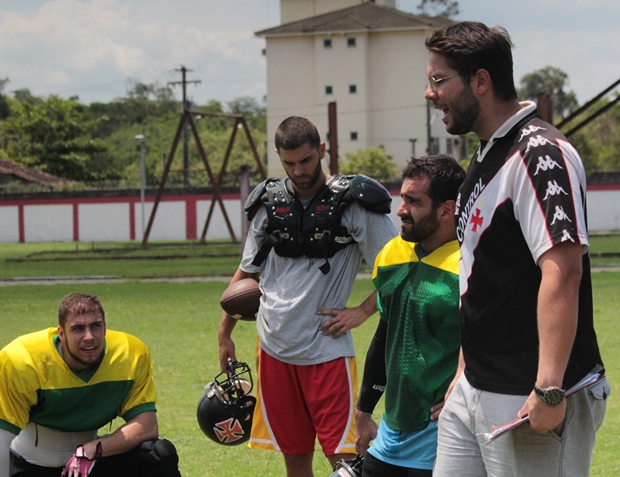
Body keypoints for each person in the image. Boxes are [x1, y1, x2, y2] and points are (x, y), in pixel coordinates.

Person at [423, 22, 610, 477]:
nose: (430, 94)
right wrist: (464, 370)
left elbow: (563, 272)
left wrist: (549, 388)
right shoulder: (488, 153)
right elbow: (481, 273)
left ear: (480, 81)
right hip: (475, 385)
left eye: (439, 80)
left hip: (528, 393)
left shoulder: (540, 153)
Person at [217, 116, 398, 477]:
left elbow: (399, 267)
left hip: (325, 351)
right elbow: (246, 273)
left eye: (306, 160)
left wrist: (362, 311)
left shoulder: (354, 203)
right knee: (295, 457)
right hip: (272, 349)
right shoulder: (268, 202)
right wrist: (224, 333)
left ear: (322, 150)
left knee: (345, 461)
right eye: (289, 163)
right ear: (278, 157)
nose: (299, 171)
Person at [355, 155, 466, 477]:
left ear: (446, 210)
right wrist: (364, 409)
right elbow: (385, 333)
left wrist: (463, 396)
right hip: (392, 429)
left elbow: (495, 342)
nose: (400, 210)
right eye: (402, 198)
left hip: (441, 430)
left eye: (414, 202)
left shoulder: (471, 264)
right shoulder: (392, 253)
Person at [0, 292, 182, 477]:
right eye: (78, 329)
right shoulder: (22, 361)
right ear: (61, 333)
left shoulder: (129, 355)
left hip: (89, 464)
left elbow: (147, 426)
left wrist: (96, 448)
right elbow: (1, 439)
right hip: (30, 466)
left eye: (95, 326)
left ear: (105, 328)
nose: (89, 337)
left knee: (158, 453)